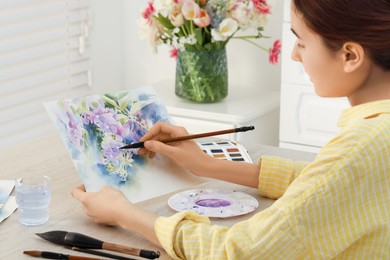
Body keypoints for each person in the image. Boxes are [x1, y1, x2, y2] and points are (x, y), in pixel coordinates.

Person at [72, 0, 390, 258]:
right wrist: (209, 166)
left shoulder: (359, 147)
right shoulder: (375, 137)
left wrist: (123, 213)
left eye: (302, 43)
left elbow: (237, 251)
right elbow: (322, 181)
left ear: (350, 55)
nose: (294, 55)